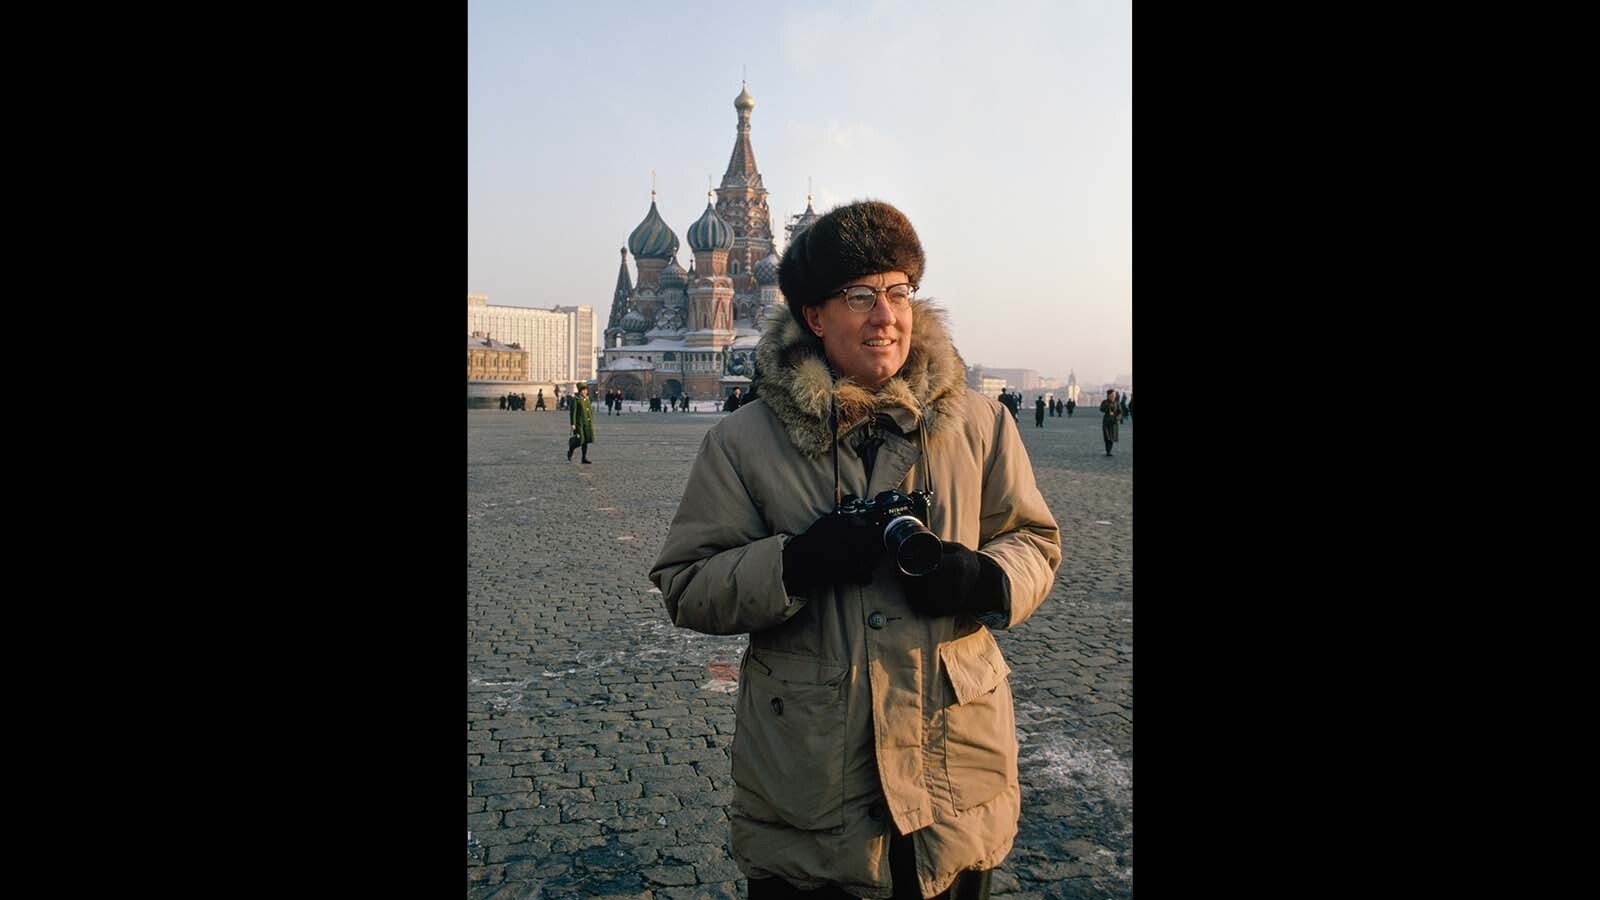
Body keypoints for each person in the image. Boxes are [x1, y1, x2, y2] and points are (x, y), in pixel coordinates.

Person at [651, 200, 1061, 900]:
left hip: (953, 784)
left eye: (899, 291)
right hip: (811, 805)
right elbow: (686, 584)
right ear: (814, 316)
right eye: (860, 296)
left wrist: (985, 579)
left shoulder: (979, 425)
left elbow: (1036, 541)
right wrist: (793, 564)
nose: (886, 316)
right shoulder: (745, 442)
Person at [569, 383, 594, 463]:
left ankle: (584, 458)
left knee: (586, 441)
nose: (585, 392)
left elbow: (589, 411)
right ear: (580, 391)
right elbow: (573, 412)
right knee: (580, 440)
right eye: (583, 390)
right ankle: (571, 448)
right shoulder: (576, 399)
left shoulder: (587, 399)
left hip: (587, 424)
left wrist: (591, 421)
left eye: (586, 390)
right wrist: (573, 423)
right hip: (579, 424)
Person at [1100, 389, 1119, 456]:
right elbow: (1101, 409)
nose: (1114, 396)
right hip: (1106, 422)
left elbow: (1120, 412)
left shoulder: (1117, 402)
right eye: (1112, 395)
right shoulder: (1105, 402)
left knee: (1112, 438)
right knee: (1107, 437)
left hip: (1114, 422)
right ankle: (1108, 451)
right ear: (1109, 395)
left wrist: (1117, 418)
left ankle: (1109, 451)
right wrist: (1108, 405)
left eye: (1114, 395)